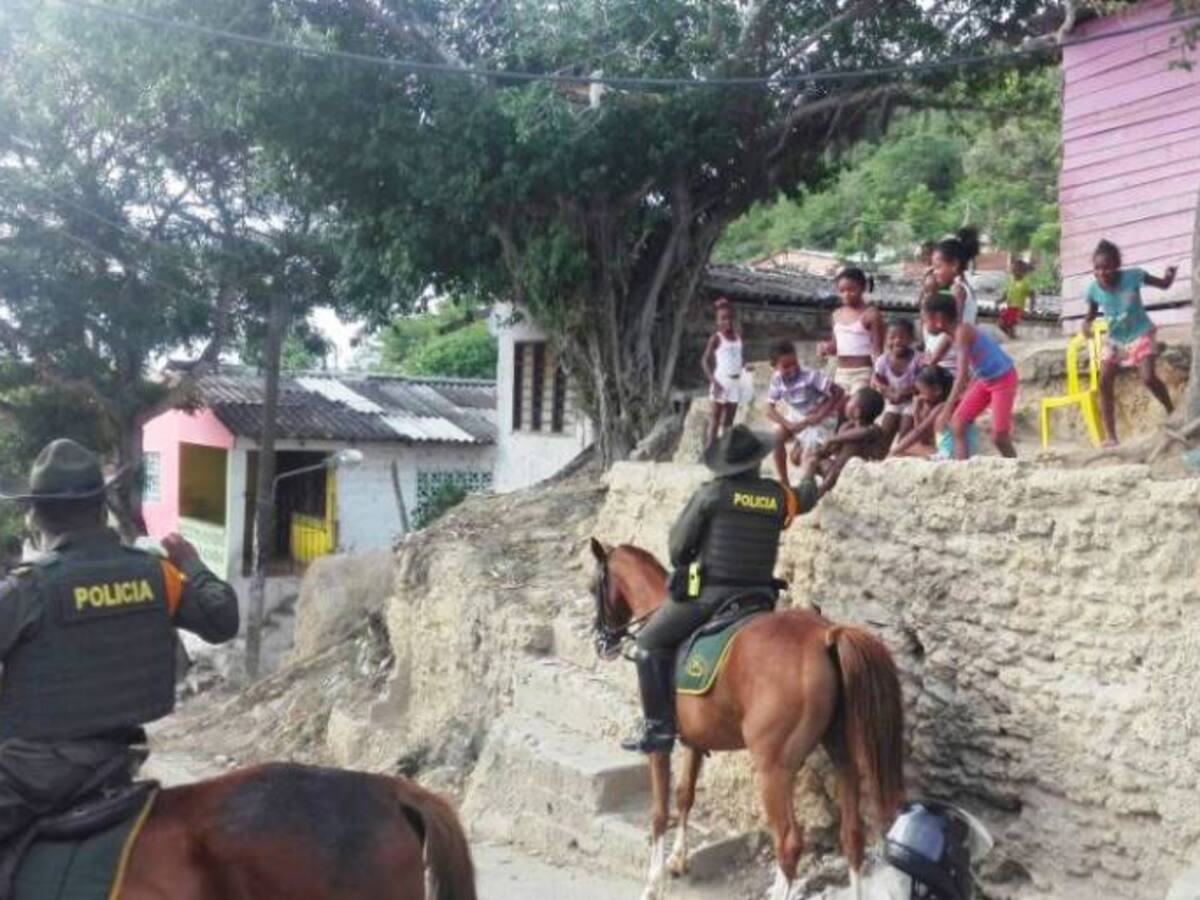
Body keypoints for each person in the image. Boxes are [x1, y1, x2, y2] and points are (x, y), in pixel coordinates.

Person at [0, 439, 240, 848]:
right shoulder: (155, 573)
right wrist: (193, 565)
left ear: (36, 516)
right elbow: (222, 621)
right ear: (101, 508)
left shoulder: (29, 590)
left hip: (34, 772)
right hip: (118, 757)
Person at [621, 426, 815, 753]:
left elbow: (678, 550)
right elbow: (807, 497)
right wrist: (810, 466)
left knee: (647, 641)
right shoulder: (777, 496)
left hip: (710, 597)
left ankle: (658, 728)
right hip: (760, 599)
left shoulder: (711, 494)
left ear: (726, 466)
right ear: (755, 463)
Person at [1083, 239, 1178, 447]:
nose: (1101, 273)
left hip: (1141, 333)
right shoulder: (1093, 289)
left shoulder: (1134, 276)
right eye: (1097, 268)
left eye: (1106, 267)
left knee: (1148, 378)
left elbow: (1163, 285)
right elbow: (1090, 315)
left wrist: (1169, 276)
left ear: (1117, 265)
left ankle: (1172, 411)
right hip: (1116, 339)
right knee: (1104, 382)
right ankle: (1111, 436)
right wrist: (1086, 325)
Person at [925, 295, 1017, 459]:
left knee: (999, 437)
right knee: (958, 424)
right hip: (985, 381)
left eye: (926, 320)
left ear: (938, 319)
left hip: (1003, 379)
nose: (924, 325)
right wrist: (926, 361)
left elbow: (960, 377)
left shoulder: (962, 332)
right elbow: (933, 360)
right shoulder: (949, 335)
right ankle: (963, 470)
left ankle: (1018, 470)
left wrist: (946, 411)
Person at [765, 340, 844, 485]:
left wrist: (819, 415)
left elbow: (838, 392)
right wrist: (788, 424)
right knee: (775, 437)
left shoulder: (809, 376)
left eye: (795, 363)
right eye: (786, 366)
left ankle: (808, 484)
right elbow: (768, 409)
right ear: (774, 367)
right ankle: (784, 481)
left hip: (820, 419)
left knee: (805, 457)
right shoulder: (776, 380)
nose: (793, 369)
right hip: (797, 416)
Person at [810, 387, 888, 497]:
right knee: (813, 459)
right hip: (838, 471)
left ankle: (819, 493)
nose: (846, 403)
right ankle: (808, 486)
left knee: (852, 443)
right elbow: (833, 449)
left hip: (860, 474)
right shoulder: (846, 426)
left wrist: (832, 439)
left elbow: (862, 433)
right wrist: (821, 452)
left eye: (850, 400)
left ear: (856, 412)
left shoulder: (873, 430)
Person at [890, 365, 980, 460]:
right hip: (971, 452)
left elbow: (919, 432)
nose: (920, 396)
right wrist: (916, 410)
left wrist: (895, 451)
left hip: (951, 456)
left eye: (921, 392)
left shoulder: (941, 409)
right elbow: (922, 436)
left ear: (937, 390)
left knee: (907, 448)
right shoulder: (960, 404)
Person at [820, 267, 884, 398]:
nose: (846, 294)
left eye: (851, 290)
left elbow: (878, 349)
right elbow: (836, 346)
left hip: (863, 372)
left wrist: (876, 375)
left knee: (857, 409)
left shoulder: (871, 314)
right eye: (842, 291)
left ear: (863, 288)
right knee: (841, 412)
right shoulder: (836, 315)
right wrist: (826, 347)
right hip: (841, 372)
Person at [923, 228, 981, 372]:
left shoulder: (958, 291)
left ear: (954, 265)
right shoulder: (962, 287)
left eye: (937, 267)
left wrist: (933, 360)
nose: (934, 272)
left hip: (949, 366)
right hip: (944, 362)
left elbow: (953, 328)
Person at [701, 299, 746, 450]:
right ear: (717, 321)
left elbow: (739, 357)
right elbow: (704, 362)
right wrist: (713, 381)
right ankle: (709, 451)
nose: (726, 321)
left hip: (735, 383)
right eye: (722, 318)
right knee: (715, 420)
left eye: (729, 318)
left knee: (728, 422)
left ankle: (724, 453)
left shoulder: (738, 337)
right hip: (721, 382)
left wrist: (744, 368)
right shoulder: (716, 338)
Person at [873, 318, 921, 444]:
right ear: (885, 339)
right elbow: (879, 382)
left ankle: (901, 454)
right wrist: (889, 394)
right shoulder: (882, 361)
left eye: (902, 337)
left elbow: (921, 385)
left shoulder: (918, 360)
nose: (897, 341)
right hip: (893, 400)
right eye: (892, 337)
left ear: (911, 339)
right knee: (887, 428)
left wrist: (904, 393)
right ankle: (882, 457)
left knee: (906, 425)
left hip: (913, 401)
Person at [1000, 258, 1035, 339]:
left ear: (1023, 272)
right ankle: (1013, 337)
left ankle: (1013, 338)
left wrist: (1031, 308)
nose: (1013, 272)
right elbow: (1006, 294)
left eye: (1015, 270)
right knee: (1001, 324)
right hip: (1009, 308)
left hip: (1017, 309)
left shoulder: (1025, 284)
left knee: (1010, 325)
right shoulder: (1011, 282)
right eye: (1013, 270)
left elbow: (1032, 295)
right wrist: (1000, 300)